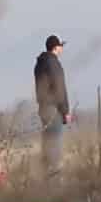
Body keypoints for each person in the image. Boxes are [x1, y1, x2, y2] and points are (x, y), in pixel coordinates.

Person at [34, 34, 71, 175]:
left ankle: (45, 176)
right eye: (61, 46)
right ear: (56, 48)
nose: (62, 49)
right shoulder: (53, 63)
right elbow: (59, 88)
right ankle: (54, 180)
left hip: (43, 108)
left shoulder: (40, 63)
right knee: (54, 144)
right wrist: (65, 111)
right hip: (53, 109)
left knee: (47, 143)